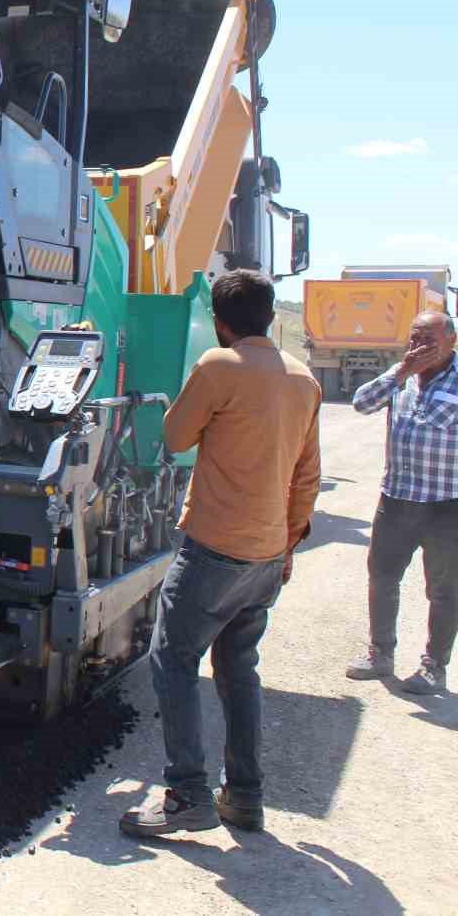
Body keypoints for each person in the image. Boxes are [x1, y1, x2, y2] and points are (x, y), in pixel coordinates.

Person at [120, 270, 321, 838]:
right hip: (266, 556)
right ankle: (245, 797)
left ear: (218, 319)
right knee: (238, 667)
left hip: (215, 551)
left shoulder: (217, 366)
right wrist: (287, 545)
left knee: (173, 658)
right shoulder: (304, 381)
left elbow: (177, 436)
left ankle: (187, 795)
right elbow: (308, 475)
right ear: (270, 315)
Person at [344, 310, 458, 695]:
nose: (420, 347)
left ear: (452, 342)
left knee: (444, 590)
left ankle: (433, 666)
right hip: (395, 500)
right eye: (414, 339)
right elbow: (361, 403)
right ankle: (381, 655)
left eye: (430, 340)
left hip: (447, 506)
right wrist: (399, 371)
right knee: (382, 577)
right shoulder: (402, 379)